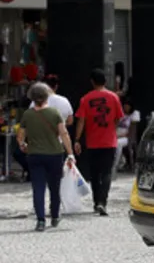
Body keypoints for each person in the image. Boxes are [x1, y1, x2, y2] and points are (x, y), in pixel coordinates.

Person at [16, 82, 76, 231]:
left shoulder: (27, 114)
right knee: (54, 187)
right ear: (46, 97)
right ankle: (55, 216)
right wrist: (70, 153)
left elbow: (20, 136)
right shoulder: (54, 113)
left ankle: (41, 220)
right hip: (55, 154)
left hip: (34, 155)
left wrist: (23, 145)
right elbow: (64, 133)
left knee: (38, 187)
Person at [74, 68, 125, 217]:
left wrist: (77, 139)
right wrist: (112, 129)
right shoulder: (114, 97)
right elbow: (118, 117)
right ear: (106, 81)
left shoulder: (85, 99)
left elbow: (81, 121)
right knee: (107, 172)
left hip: (93, 142)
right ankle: (103, 202)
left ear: (92, 82)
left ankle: (97, 203)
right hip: (109, 141)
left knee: (95, 174)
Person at [114, 99, 141, 172]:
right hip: (115, 135)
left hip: (126, 137)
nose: (126, 108)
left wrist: (119, 136)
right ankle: (119, 162)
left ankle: (115, 165)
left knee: (117, 143)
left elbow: (131, 131)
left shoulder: (135, 114)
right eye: (124, 106)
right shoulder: (120, 113)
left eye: (127, 106)